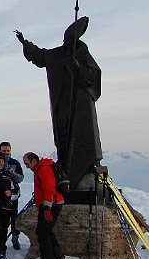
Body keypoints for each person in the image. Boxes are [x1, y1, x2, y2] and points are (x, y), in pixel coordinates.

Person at [14, 17, 102, 189]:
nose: (66, 42)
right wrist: (26, 44)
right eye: (65, 39)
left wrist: (78, 68)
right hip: (62, 104)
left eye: (69, 39)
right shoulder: (58, 54)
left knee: (82, 137)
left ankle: (84, 170)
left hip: (80, 107)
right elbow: (41, 56)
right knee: (63, 135)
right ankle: (66, 167)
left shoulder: (83, 54)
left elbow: (92, 76)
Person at [23, 152, 65, 259]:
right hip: (52, 203)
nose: (26, 166)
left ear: (34, 161)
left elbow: (49, 189)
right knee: (47, 230)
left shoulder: (43, 169)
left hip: (51, 204)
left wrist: (47, 208)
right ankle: (58, 257)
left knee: (42, 232)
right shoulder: (42, 168)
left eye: (27, 163)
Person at [0, 141, 24, 249]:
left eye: (7, 151)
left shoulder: (15, 163)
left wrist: (13, 174)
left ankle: (15, 237)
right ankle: (1, 239)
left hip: (13, 195)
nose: (6, 153)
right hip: (0, 195)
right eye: (4, 151)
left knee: (14, 217)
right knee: (2, 217)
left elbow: (21, 178)